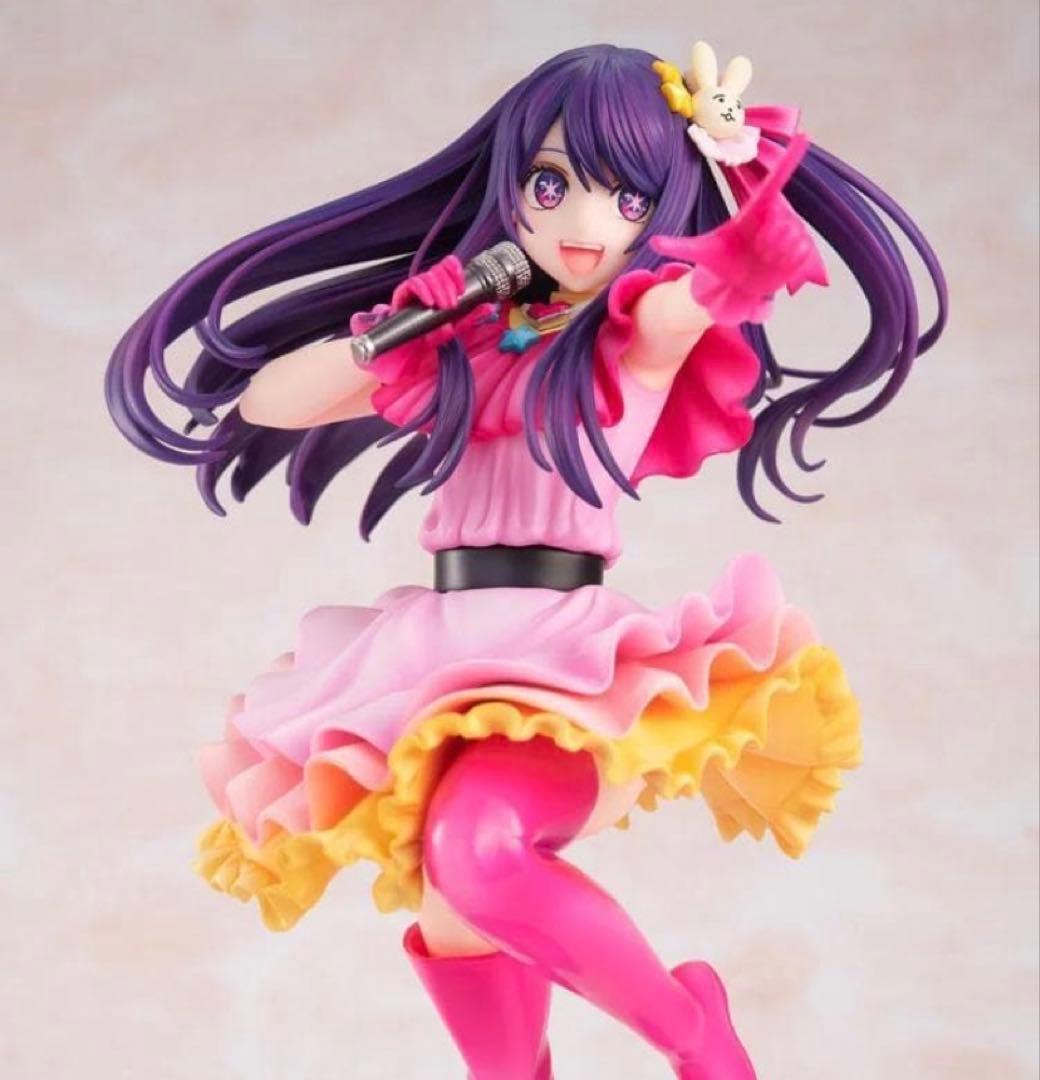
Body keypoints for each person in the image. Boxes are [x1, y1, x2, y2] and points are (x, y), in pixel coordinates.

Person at [105, 41, 946, 1080]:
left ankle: (698, 1035)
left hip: (562, 664)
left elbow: (717, 287)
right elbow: (268, 402)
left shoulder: (630, 338)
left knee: (478, 852)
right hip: (437, 654)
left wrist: (743, 193)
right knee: (455, 914)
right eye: (551, 185)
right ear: (508, 188)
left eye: (626, 198)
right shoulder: (458, 344)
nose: (583, 223)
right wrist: (398, 330)